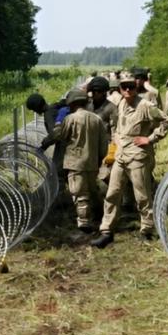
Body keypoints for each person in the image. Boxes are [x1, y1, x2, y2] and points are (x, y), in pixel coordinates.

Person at [91, 75, 168, 248]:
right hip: (121, 155)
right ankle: (106, 231)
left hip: (138, 156)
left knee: (142, 195)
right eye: (124, 87)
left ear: (136, 87)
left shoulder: (145, 106)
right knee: (112, 193)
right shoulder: (120, 104)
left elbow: (167, 121)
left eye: (131, 87)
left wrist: (150, 139)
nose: (128, 90)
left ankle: (147, 230)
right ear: (120, 89)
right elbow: (118, 127)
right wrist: (116, 140)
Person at [53, 88, 108, 232]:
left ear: (71, 104)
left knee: (80, 194)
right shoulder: (97, 119)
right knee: (92, 190)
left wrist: (58, 126)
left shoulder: (70, 119)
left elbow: (61, 137)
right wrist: (99, 159)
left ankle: (84, 222)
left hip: (75, 162)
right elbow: (104, 144)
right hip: (92, 162)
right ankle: (100, 216)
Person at [26, 92, 69, 177]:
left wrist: (43, 146)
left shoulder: (49, 114)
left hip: (64, 144)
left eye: (34, 109)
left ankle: (60, 190)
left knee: (57, 172)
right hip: (69, 141)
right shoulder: (54, 107)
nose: (34, 111)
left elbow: (55, 135)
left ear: (37, 107)